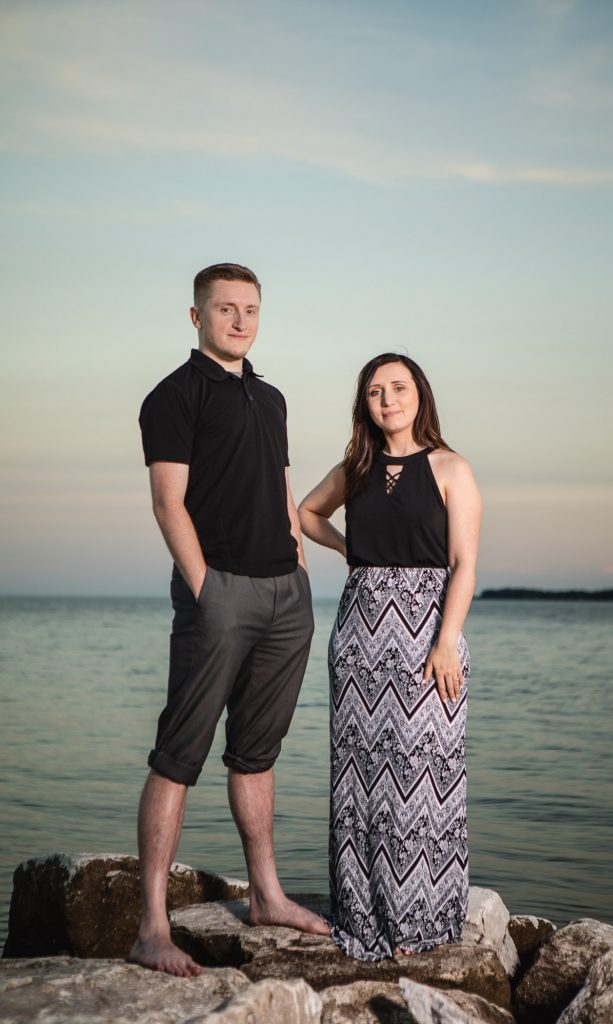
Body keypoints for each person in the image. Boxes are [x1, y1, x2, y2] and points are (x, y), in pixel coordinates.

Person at [130, 262, 329, 978]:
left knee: (258, 751)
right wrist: (205, 586)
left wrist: (299, 568)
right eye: (225, 310)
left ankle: (267, 896)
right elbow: (167, 502)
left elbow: (280, 489)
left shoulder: (269, 399)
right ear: (196, 317)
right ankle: (152, 928)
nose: (241, 321)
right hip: (218, 595)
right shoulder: (173, 396)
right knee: (179, 752)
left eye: (250, 309)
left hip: (284, 597)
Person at [298, 352, 482, 961]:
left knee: (422, 773)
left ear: (420, 395)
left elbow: (465, 566)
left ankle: (421, 919)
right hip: (358, 635)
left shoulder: (452, 467)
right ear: (365, 404)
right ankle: (362, 913)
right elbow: (305, 514)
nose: (388, 400)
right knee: (357, 779)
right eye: (376, 392)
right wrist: (352, 548)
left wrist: (446, 639)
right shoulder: (356, 467)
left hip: (429, 631)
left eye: (398, 388)